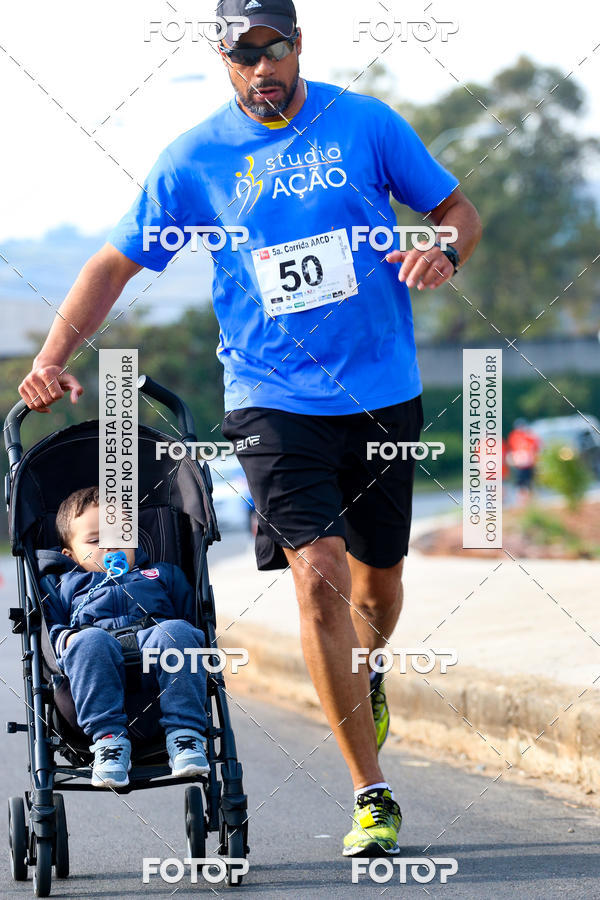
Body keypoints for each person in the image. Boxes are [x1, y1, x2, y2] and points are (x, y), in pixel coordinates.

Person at [18, 0, 482, 854]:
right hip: (272, 399)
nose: (263, 68)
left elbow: (458, 210)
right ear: (224, 60)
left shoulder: (366, 124)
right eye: (245, 55)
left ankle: (367, 671)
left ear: (299, 46)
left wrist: (441, 250)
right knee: (320, 575)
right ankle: (370, 792)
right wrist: (50, 358)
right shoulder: (194, 160)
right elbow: (113, 263)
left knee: (378, 586)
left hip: (383, 390)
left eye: (275, 50)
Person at [42, 486, 210, 789]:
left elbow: (192, 620)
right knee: (88, 641)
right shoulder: (63, 585)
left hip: (158, 674)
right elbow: (50, 634)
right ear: (70, 554)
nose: (111, 548)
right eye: (95, 541)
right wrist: (70, 641)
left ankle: (185, 735)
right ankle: (110, 742)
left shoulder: (162, 574)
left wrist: (184, 634)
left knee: (178, 632)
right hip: (92, 680)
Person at [506, 418, 541, 505]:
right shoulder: (514, 436)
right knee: (521, 483)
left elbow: (536, 447)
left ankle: (529, 501)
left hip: (529, 464)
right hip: (520, 464)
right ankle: (522, 501)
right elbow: (512, 449)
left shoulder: (529, 436)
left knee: (529, 483)